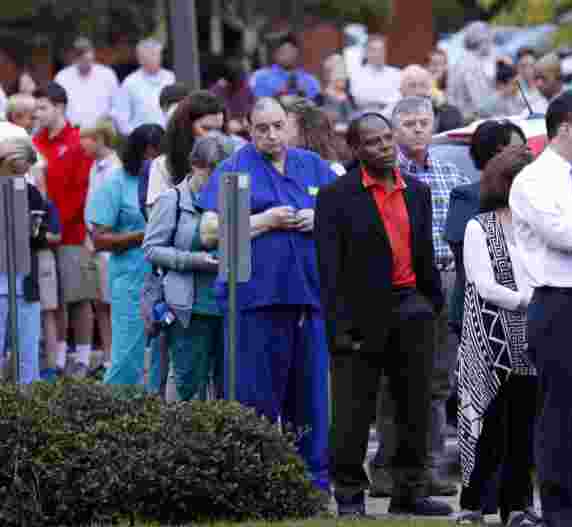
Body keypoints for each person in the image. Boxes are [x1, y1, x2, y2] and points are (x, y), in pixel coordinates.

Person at [315, 112, 451, 517]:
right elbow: (329, 269)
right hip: (360, 316)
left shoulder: (417, 192)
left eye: (388, 138)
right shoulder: (336, 196)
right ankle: (351, 497)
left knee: (415, 407)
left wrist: (431, 304)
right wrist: (339, 329)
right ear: (356, 150)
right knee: (354, 413)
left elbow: (424, 252)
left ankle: (409, 491)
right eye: (373, 142)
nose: (385, 146)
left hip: (413, 309)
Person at [196, 97, 333, 490]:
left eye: (277, 126)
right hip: (253, 299)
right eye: (262, 128)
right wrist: (266, 220)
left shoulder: (313, 166)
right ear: (248, 129)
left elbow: (344, 215)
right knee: (253, 394)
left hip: (307, 296)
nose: (272, 135)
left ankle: (312, 483)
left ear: (288, 125)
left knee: (310, 396)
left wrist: (317, 216)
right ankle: (252, 481)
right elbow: (209, 232)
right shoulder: (234, 169)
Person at [508, 91, 572, 527]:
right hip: (556, 305)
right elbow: (564, 235)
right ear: (565, 127)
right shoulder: (532, 181)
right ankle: (558, 510)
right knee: (559, 411)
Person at [370, 96, 469, 499]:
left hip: (444, 280)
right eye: (408, 123)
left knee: (438, 383)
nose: (417, 129)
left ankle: (427, 466)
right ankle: (386, 468)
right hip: (402, 285)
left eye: (423, 122)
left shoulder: (448, 172)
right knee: (394, 382)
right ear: (393, 130)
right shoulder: (385, 176)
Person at [455, 144, 541, 527]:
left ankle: (517, 507)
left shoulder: (536, 226)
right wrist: (529, 300)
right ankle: (473, 504)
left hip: (532, 341)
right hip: (491, 343)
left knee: (524, 430)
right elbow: (484, 285)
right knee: (488, 428)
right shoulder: (480, 225)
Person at [143, 133, 236, 401]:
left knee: (228, 386)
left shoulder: (234, 197)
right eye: (212, 171)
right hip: (189, 309)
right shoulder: (171, 200)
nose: (218, 179)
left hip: (228, 306)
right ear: (195, 165)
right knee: (187, 382)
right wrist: (193, 260)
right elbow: (150, 249)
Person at [84, 123, 160, 390]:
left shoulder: (168, 181)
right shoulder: (117, 182)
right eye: (145, 155)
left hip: (167, 280)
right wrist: (142, 236)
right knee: (127, 358)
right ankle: (113, 417)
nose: (151, 162)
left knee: (162, 361)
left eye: (156, 156)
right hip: (130, 281)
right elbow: (99, 239)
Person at [32, 82, 99, 380]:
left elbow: (81, 191)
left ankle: (83, 357)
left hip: (72, 233)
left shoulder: (76, 142)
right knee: (55, 299)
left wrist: (59, 222)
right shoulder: (37, 142)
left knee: (80, 297)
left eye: (43, 107)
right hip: (46, 236)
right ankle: (59, 356)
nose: (38, 113)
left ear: (59, 107)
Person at [445, 120, 529, 345]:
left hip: (526, 319)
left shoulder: (535, 198)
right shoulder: (467, 197)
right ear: (499, 154)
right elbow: (466, 255)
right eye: (521, 150)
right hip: (482, 317)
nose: (528, 156)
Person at [0, 136, 51, 384]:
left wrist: (32, 228)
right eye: (16, 170)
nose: (22, 175)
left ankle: (28, 412)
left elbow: (41, 237)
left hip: (25, 285)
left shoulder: (30, 192)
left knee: (28, 356)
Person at [80, 117, 122, 378]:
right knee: (100, 305)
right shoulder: (94, 167)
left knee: (113, 304)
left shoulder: (116, 167)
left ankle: (117, 358)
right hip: (93, 241)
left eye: (86, 138)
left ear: (99, 139)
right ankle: (107, 358)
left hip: (109, 245)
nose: (82, 143)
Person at [143, 90, 225, 213]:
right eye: (206, 129)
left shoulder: (232, 161)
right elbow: (157, 217)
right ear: (186, 127)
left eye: (218, 130)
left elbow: (238, 221)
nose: (213, 136)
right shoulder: (163, 165)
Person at [111, 39, 176, 135]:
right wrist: (136, 136)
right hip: (142, 142)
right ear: (140, 59)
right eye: (151, 55)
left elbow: (176, 109)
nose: (155, 58)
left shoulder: (170, 78)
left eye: (157, 54)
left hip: (168, 138)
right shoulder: (130, 83)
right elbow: (121, 119)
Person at [55, 37, 119, 129]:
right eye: (80, 55)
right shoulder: (62, 77)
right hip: (71, 132)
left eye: (87, 53)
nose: (85, 58)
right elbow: (56, 106)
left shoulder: (107, 75)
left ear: (93, 53)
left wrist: (108, 117)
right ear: (74, 57)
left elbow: (117, 106)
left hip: (101, 132)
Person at [390, 65, 464, 134]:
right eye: (412, 86)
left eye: (423, 85)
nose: (418, 91)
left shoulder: (449, 113)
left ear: (430, 88)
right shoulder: (391, 116)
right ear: (401, 91)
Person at [447, 21, 495, 119]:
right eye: (490, 40)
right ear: (482, 41)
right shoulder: (472, 66)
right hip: (468, 121)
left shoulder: (461, 61)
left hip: (460, 118)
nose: (491, 45)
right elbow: (481, 105)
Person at [249, 36, 320, 99]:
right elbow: (254, 100)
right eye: (283, 51)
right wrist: (282, 92)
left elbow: (318, 104)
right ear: (275, 53)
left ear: (297, 53)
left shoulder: (309, 80)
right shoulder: (260, 76)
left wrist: (302, 94)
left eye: (290, 51)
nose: (287, 55)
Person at [349, 35, 402, 113]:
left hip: (392, 117)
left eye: (381, 50)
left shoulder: (396, 73)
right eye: (374, 50)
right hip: (367, 117)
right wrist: (386, 100)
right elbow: (359, 99)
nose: (379, 54)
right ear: (366, 53)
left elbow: (399, 98)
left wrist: (376, 99)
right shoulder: (357, 75)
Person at [315, 54, 355, 127]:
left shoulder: (351, 98)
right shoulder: (319, 100)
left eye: (344, 70)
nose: (344, 75)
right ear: (328, 74)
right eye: (338, 70)